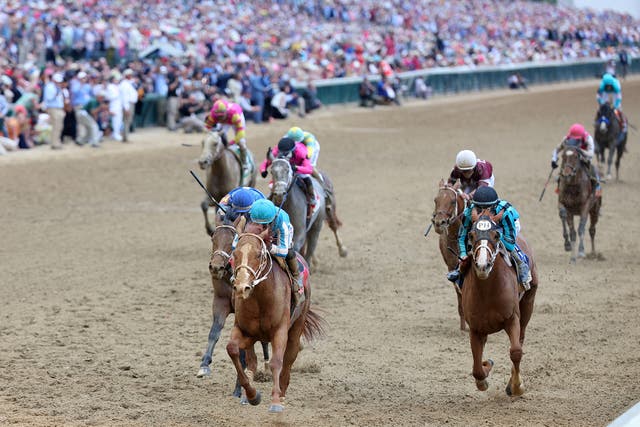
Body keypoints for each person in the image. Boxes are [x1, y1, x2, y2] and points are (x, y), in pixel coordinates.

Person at [446, 186, 531, 289]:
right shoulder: (468, 212)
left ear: (494, 206)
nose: (483, 212)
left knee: (510, 247)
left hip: (503, 226)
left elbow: (510, 242)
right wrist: (463, 254)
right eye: (479, 209)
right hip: (482, 226)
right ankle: (458, 270)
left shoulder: (506, 213)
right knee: (473, 241)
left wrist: (493, 229)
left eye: (487, 209)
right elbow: (462, 236)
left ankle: (522, 264)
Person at [246, 199, 305, 307]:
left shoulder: (282, 222)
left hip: (279, 237)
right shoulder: (251, 215)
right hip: (264, 237)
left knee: (290, 253)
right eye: (257, 223)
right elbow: (238, 240)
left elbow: (283, 251)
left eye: (264, 224)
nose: (260, 226)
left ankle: (296, 279)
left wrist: (269, 247)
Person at [260, 137, 315, 211]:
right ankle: (271, 197)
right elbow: (267, 161)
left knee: (306, 178)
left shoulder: (301, 153)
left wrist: (296, 168)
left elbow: (309, 169)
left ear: (293, 151)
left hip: (298, 166)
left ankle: (311, 198)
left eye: (285, 153)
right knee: (277, 179)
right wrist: (263, 170)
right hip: (285, 167)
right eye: (281, 153)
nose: (283, 155)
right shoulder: (276, 150)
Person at [551, 123, 601, 196]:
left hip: (584, 157)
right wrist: (553, 159)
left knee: (593, 170)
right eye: (573, 138)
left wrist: (581, 151)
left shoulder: (588, 138)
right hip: (571, 158)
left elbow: (591, 154)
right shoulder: (566, 138)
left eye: (577, 138)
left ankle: (597, 188)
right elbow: (556, 150)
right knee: (562, 171)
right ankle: (559, 187)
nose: (574, 139)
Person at [203, 98, 249, 172]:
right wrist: (211, 133)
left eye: (221, 116)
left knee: (241, 142)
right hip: (226, 120)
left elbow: (241, 133)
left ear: (226, 112)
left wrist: (231, 142)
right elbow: (207, 128)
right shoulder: (213, 115)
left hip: (234, 119)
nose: (220, 118)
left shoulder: (235, 115)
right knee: (216, 138)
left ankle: (245, 163)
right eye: (218, 116)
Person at [596, 73, 627, 139]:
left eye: (610, 85)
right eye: (607, 85)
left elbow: (619, 98)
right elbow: (598, 96)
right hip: (605, 93)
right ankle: (597, 122)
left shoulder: (616, 85)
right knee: (600, 110)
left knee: (618, 110)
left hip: (615, 94)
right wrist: (602, 104)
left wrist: (615, 106)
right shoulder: (602, 86)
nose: (609, 86)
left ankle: (623, 124)